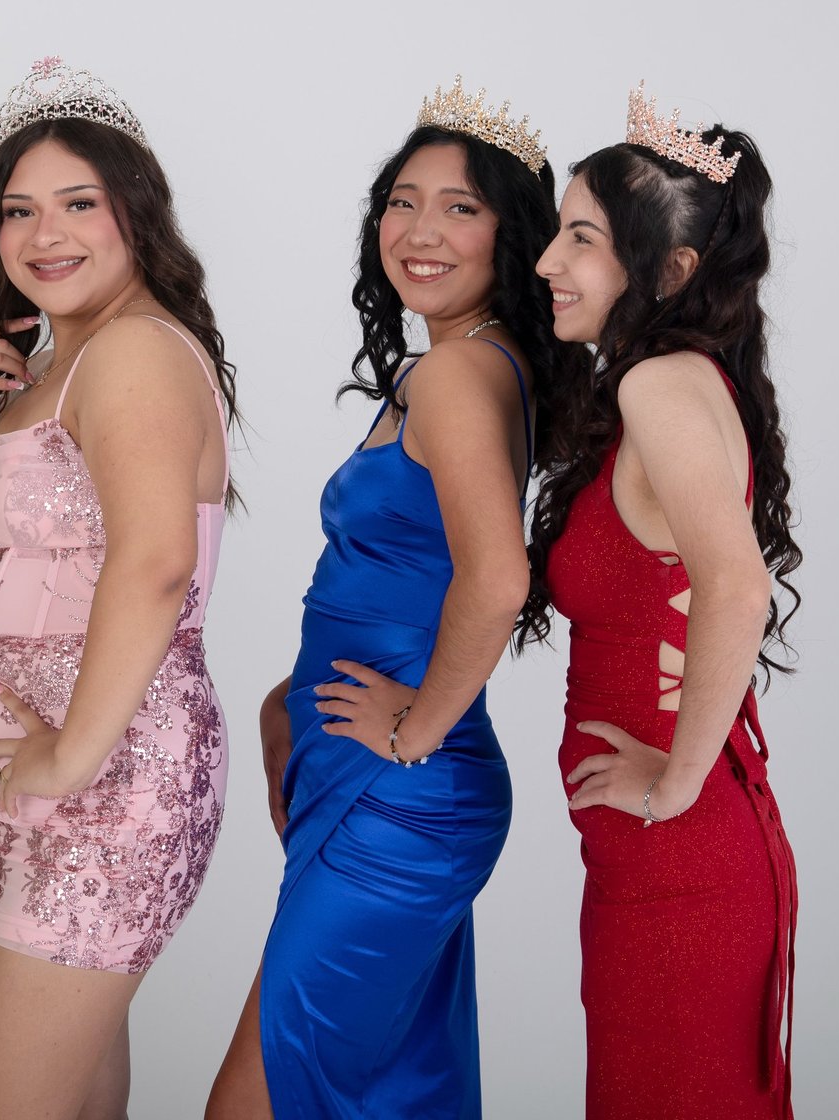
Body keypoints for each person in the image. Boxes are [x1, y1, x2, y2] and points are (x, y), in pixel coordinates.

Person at [210, 79, 581, 1119]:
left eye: (460, 207)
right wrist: (295, 687)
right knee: (382, 1095)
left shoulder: (459, 376)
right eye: (402, 200)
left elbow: (495, 576)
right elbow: (406, 576)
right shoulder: (468, 363)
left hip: (400, 792)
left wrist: (416, 728)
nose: (420, 230)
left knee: (259, 1100)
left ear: (512, 236)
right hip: (372, 775)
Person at [0, 58, 235, 1119]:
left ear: (135, 213)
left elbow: (155, 564)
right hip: (27, 783)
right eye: (18, 210)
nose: (45, 233)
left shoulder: (135, 349)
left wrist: (65, 755)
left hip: (100, 778)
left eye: (78, 203)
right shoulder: (55, 363)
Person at [521, 84, 799, 1118]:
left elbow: (736, 586)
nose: (550, 260)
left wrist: (673, 786)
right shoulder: (674, 379)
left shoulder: (659, 386)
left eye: (582, 237)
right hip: (660, 867)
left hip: (680, 866)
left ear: (669, 270)